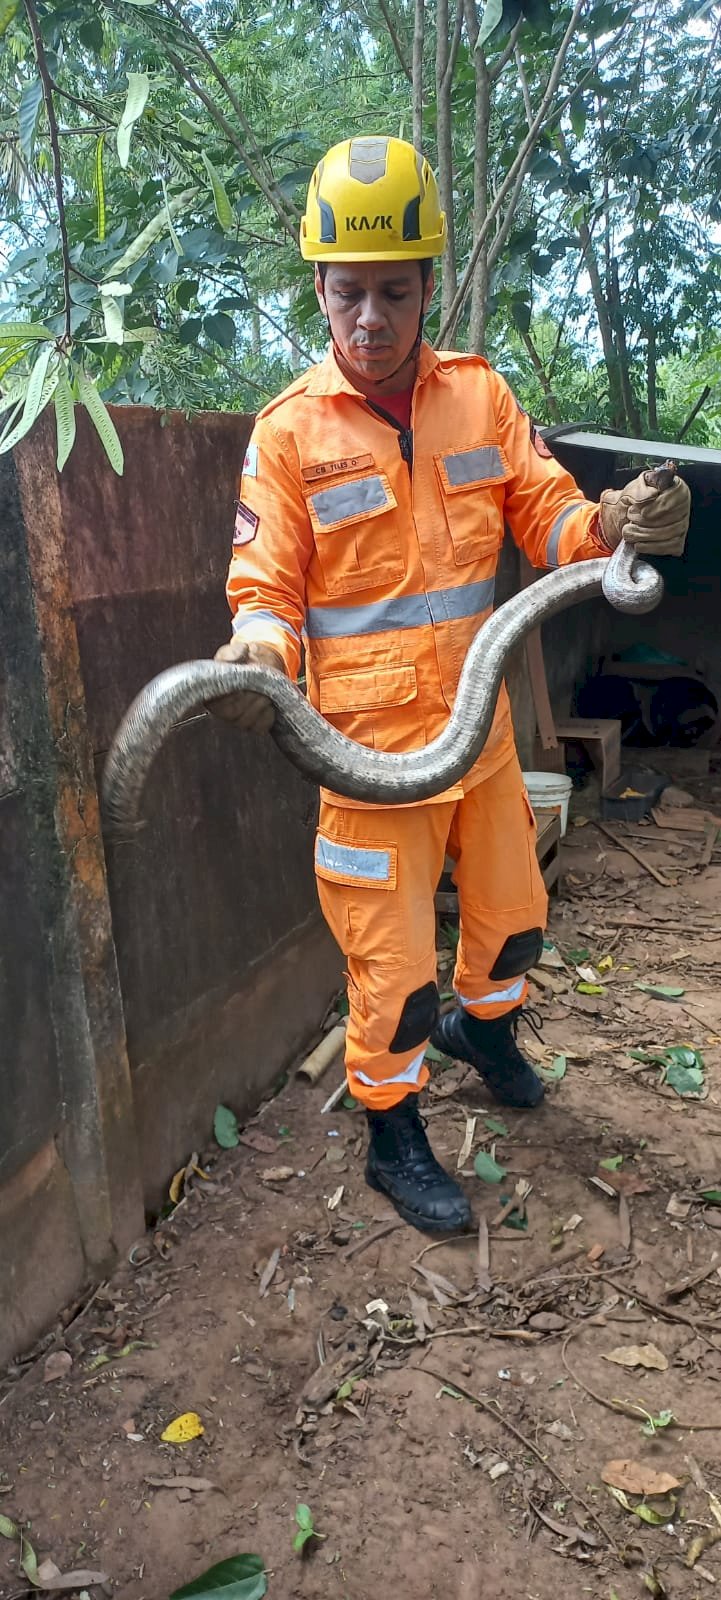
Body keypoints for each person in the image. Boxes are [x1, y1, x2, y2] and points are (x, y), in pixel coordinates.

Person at [211, 135, 690, 1235]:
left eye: (391, 291)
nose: (368, 318)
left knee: (514, 919)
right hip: (367, 761)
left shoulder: (479, 399)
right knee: (391, 973)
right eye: (347, 294)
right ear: (318, 291)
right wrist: (257, 650)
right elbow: (267, 590)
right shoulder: (288, 435)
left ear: (427, 285)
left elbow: (554, 521)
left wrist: (614, 524)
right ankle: (393, 1132)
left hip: (474, 741)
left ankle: (490, 1032)